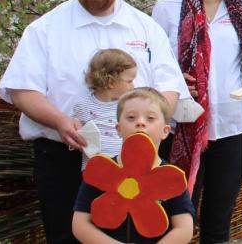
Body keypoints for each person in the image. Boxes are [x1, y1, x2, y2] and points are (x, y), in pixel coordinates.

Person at [0, 0, 189, 244]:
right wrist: (60, 121)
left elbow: (169, 87)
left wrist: (149, 126)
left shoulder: (146, 28)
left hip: (139, 163)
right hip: (65, 158)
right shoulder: (45, 29)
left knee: (137, 235)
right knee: (67, 236)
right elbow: (22, 90)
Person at [151, 0, 242, 243]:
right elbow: (153, 64)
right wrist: (175, 75)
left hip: (233, 129)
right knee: (171, 218)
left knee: (218, 221)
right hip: (180, 127)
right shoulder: (166, 8)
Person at [72, 87, 195, 244]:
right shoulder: (101, 171)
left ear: (165, 131)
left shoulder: (171, 177)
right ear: (119, 129)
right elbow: (80, 224)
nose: (140, 123)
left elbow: (184, 229)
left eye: (150, 118)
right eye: (131, 117)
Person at [73, 49, 139, 169]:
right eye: (129, 81)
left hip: (124, 167)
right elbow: (75, 134)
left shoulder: (128, 106)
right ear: (111, 82)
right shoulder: (82, 106)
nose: (133, 86)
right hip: (93, 168)